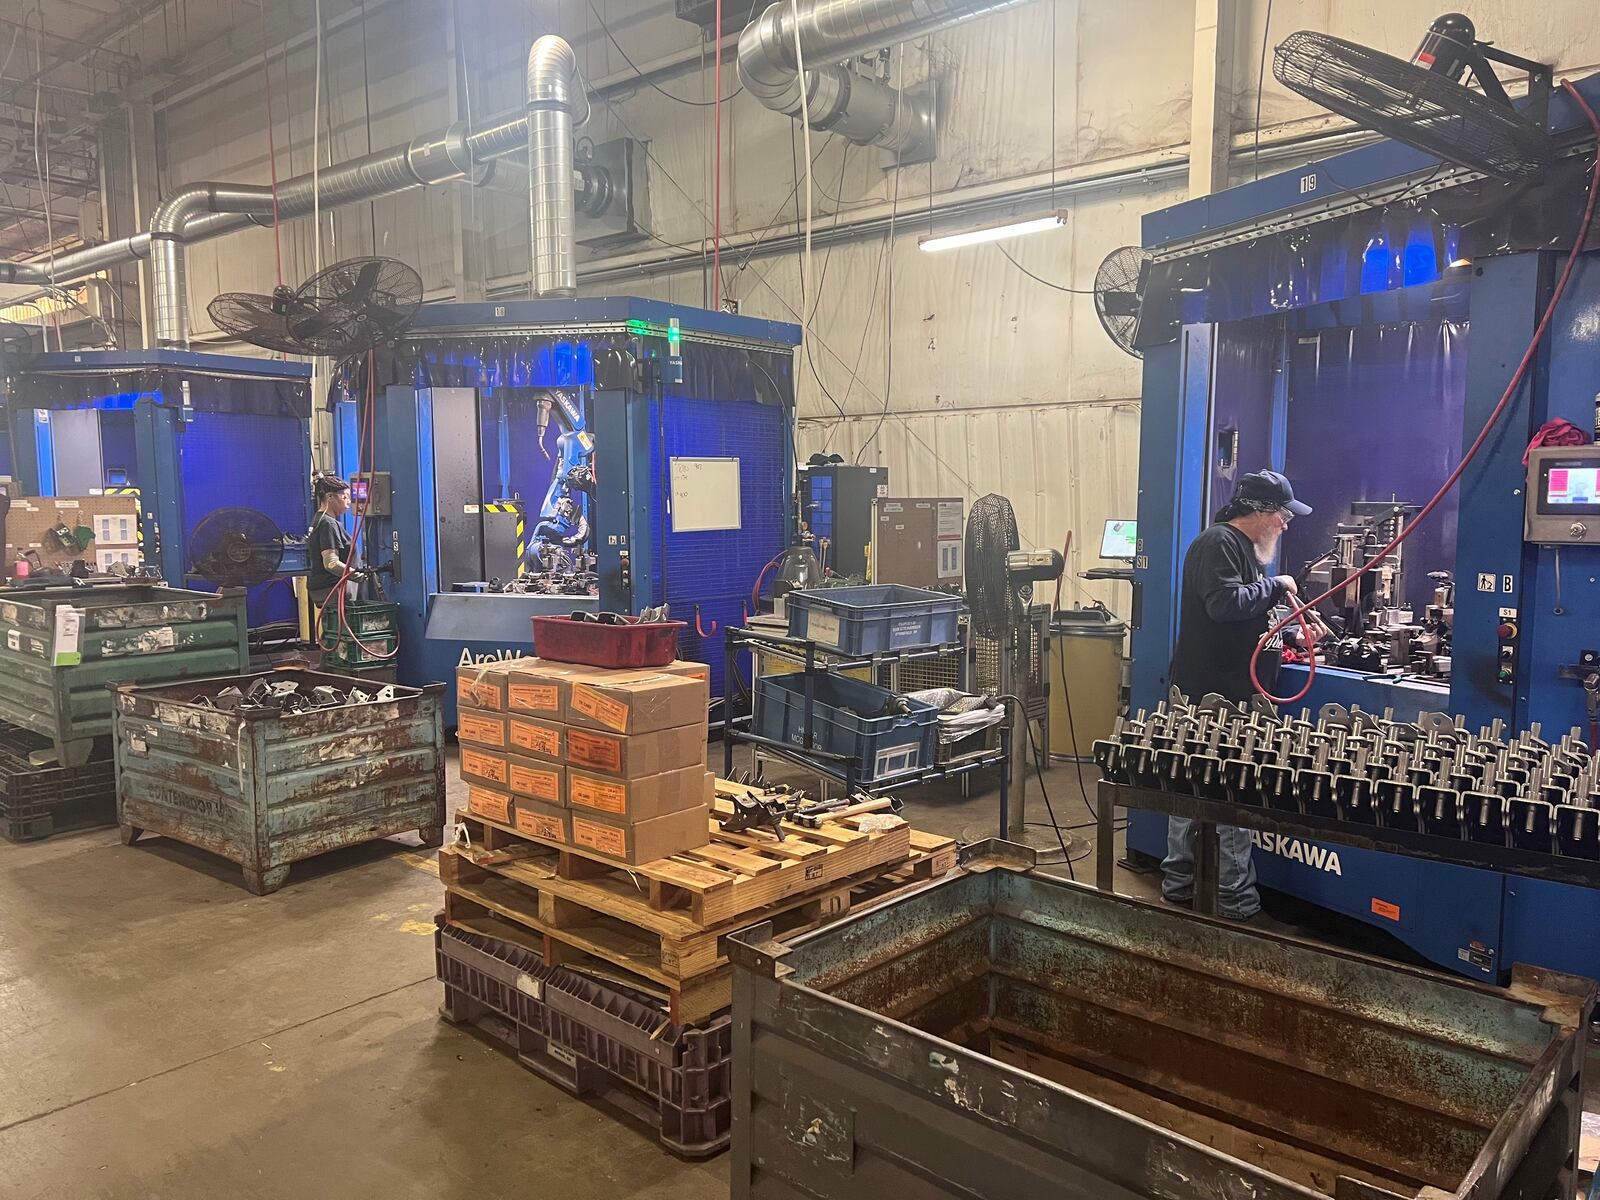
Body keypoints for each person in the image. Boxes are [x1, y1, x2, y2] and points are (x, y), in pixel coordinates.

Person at [1161, 469, 1329, 919]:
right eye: (1282, 516)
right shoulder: (1218, 543)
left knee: (1197, 785)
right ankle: (1232, 901)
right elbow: (1223, 604)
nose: (1286, 524)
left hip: (1233, 692)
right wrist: (1278, 584)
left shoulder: (1246, 553)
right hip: (1211, 698)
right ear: (1259, 511)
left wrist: (1290, 636)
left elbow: (1246, 617)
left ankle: (1182, 883)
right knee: (1224, 792)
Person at [308, 475, 361, 612]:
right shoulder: (328, 524)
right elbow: (331, 563)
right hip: (333, 590)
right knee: (341, 630)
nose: (349, 502)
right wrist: (357, 575)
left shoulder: (319, 519)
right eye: (345, 497)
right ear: (330, 497)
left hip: (328, 590)